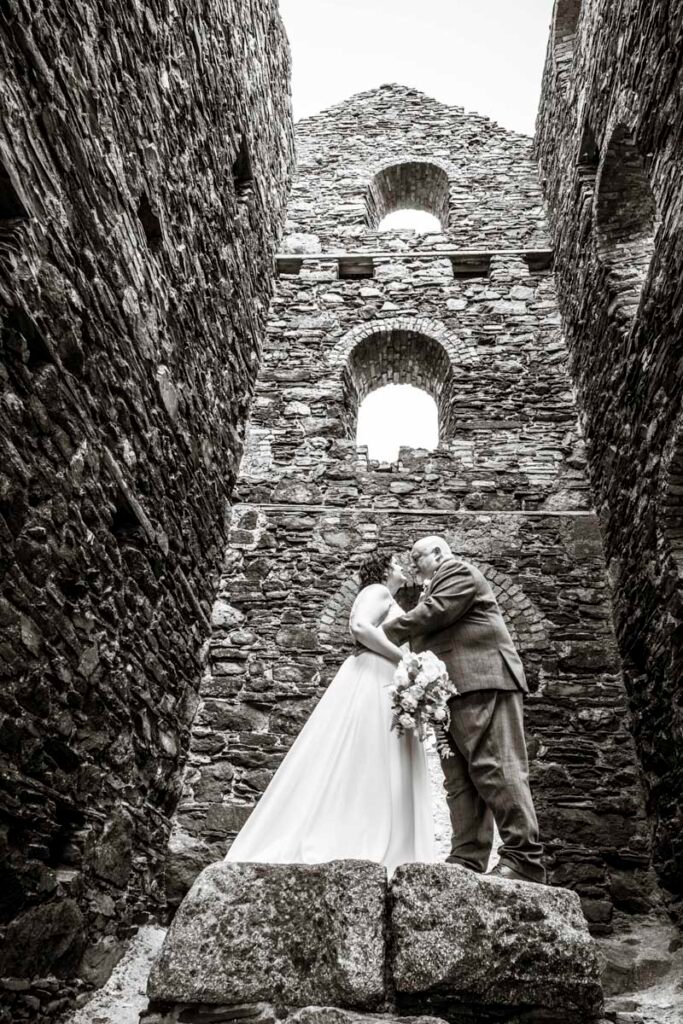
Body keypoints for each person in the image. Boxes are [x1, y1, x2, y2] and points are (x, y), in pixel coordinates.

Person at [225, 551, 435, 874]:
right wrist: (405, 660)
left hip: (383, 677)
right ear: (383, 570)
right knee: (368, 755)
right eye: (396, 563)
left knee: (372, 757)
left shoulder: (386, 597)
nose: (402, 567)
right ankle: (360, 836)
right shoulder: (376, 592)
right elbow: (360, 627)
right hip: (374, 676)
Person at [383, 535, 545, 884]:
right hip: (449, 693)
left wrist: (381, 632)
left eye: (417, 556)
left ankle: (523, 858)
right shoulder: (434, 583)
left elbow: (436, 611)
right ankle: (467, 856)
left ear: (439, 553)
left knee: (496, 767)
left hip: (483, 681)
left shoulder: (457, 571)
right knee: (459, 779)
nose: (412, 564)